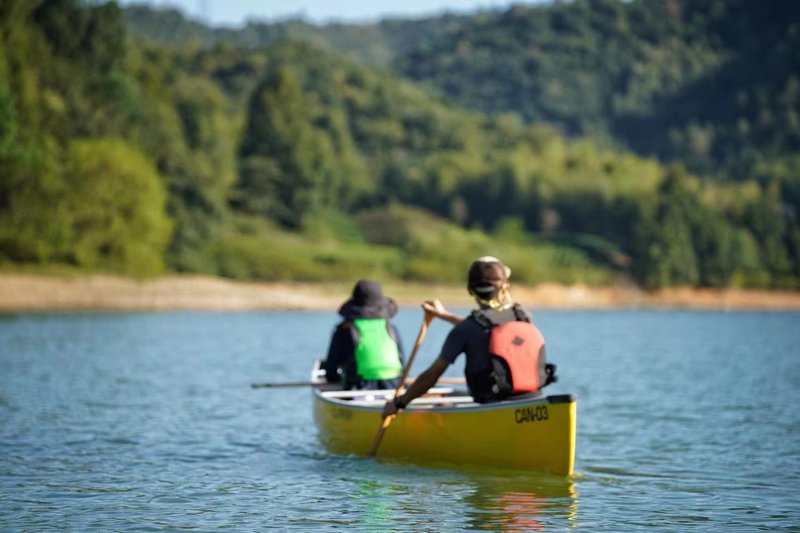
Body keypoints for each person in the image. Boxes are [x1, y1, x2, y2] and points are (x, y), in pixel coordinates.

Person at [382, 256, 556, 417]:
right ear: (504, 287)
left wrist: (399, 403)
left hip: (493, 408)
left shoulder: (467, 329)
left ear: (470, 290)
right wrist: (444, 315)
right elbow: (485, 331)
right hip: (534, 402)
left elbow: (432, 375)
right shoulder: (524, 316)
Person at [323, 279, 405, 390]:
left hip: (358, 387)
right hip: (393, 385)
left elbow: (331, 369)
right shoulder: (391, 328)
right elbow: (402, 363)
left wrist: (334, 379)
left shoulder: (344, 330)